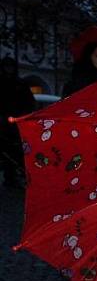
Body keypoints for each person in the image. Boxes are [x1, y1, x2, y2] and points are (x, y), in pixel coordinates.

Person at [0, 56, 35, 187]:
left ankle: (21, 174)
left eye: (10, 67)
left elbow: (29, 102)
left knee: (19, 151)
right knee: (7, 151)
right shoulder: (2, 83)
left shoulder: (20, 84)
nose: (9, 69)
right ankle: (10, 177)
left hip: (18, 122)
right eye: (6, 67)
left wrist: (24, 116)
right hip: (4, 123)